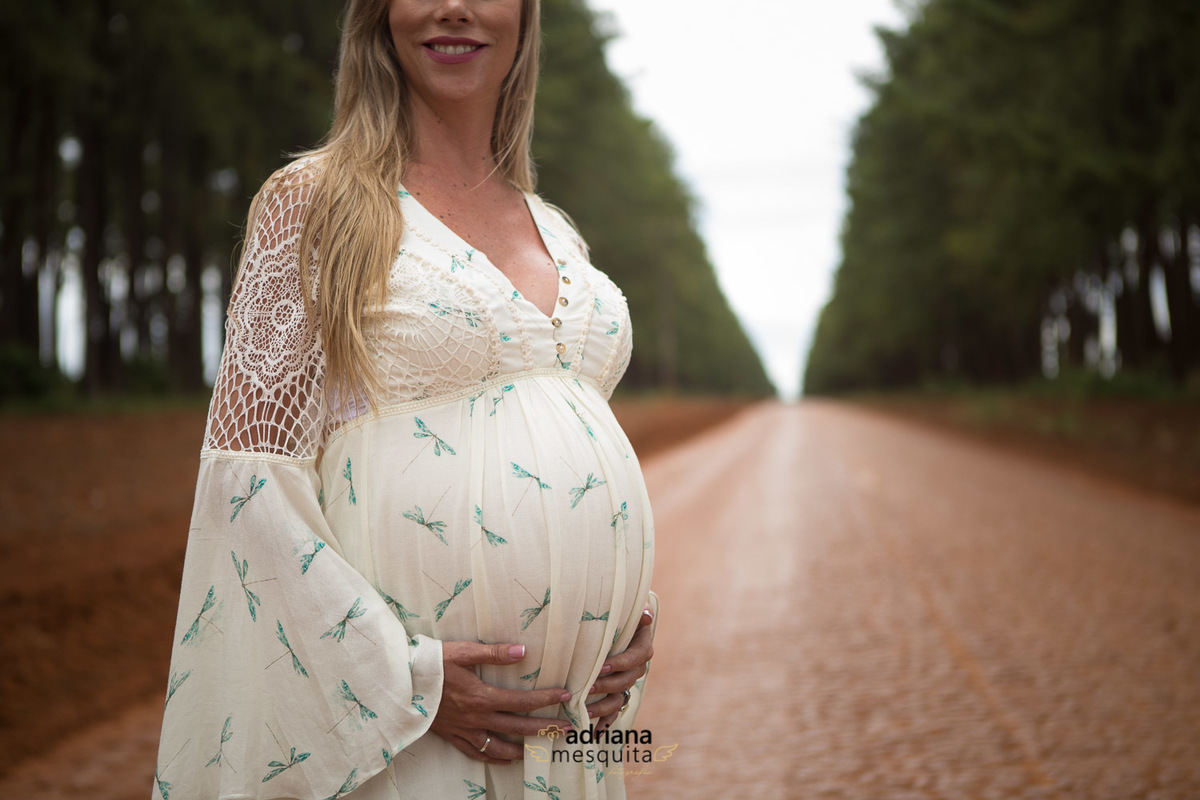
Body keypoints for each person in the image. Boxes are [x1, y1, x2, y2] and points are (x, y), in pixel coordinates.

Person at [153, 0, 658, 798]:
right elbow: (251, 491)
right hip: (412, 737)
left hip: (567, 739)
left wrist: (620, 624)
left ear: (525, 16)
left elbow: (571, 446)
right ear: (380, 16)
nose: (454, 7)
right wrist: (400, 680)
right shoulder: (314, 201)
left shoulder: (557, 230)